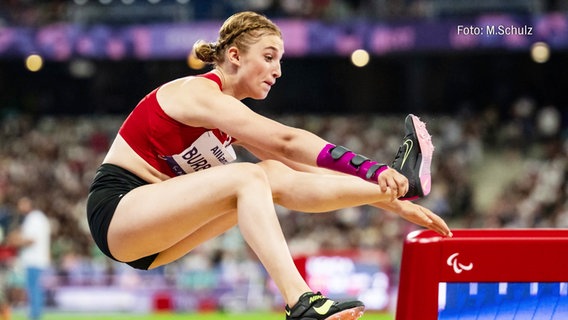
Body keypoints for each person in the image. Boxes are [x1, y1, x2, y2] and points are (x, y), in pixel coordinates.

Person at [86, 11, 452, 320]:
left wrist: (392, 197)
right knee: (249, 176)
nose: (277, 70)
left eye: (280, 61)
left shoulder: (229, 125)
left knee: (272, 175)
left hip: (154, 239)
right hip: (119, 210)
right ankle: (301, 303)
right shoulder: (196, 94)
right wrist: (373, 169)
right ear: (234, 55)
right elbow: (288, 141)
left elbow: (302, 171)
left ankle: (406, 181)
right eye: (269, 56)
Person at [12, 197, 51, 320]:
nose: (20, 208)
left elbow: (31, 239)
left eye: (22, 204)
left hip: (34, 260)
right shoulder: (38, 218)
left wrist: (15, 241)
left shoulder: (35, 218)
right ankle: (35, 313)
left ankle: (35, 315)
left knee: (34, 289)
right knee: (34, 288)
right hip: (37, 259)